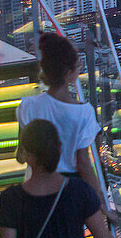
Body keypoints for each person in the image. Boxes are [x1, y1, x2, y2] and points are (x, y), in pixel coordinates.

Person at [16, 33, 101, 193]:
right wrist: (99, 201)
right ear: (69, 73)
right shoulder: (84, 112)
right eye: (78, 67)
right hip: (69, 189)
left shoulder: (27, 106)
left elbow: (21, 156)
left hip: (35, 186)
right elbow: (83, 163)